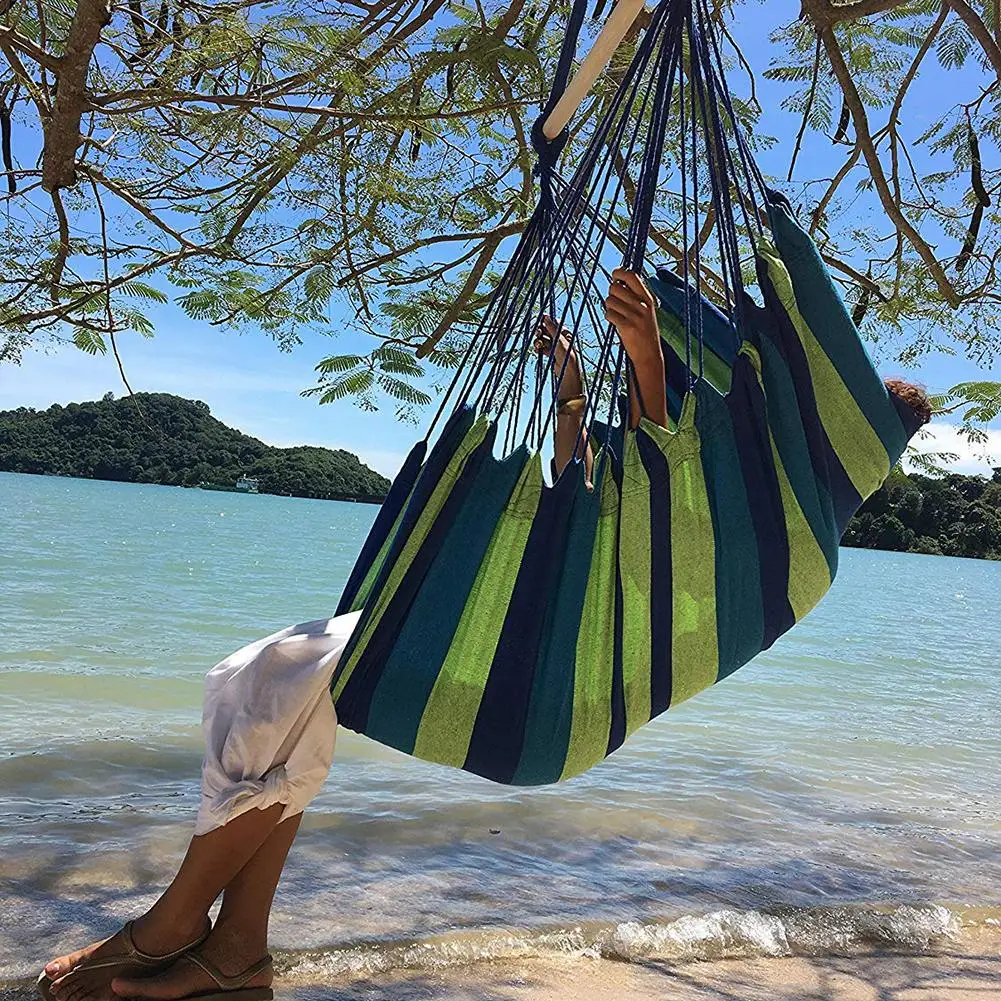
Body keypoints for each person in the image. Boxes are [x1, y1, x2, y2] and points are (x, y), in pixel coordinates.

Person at [39, 270, 932, 1001]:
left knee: (281, 680)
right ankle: (237, 948)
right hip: (545, 682)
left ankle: (170, 925)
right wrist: (575, 387)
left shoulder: (792, 552)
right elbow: (594, 501)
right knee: (279, 691)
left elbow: (675, 503)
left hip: (548, 704)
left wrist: (647, 359)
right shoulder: (776, 531)